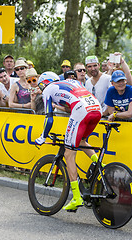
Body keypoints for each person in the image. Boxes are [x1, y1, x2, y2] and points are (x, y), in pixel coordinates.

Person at [35, 72, 102, 211]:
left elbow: (49, 118)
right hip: (96, 109)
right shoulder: (71, 82)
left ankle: (77, 197)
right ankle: (101, 167)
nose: (42, 90)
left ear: (43, 84)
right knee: (81, 140)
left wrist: (43, 137)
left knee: (69, 154)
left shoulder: (48, 89)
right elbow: (69, 105)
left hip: (81, 110)